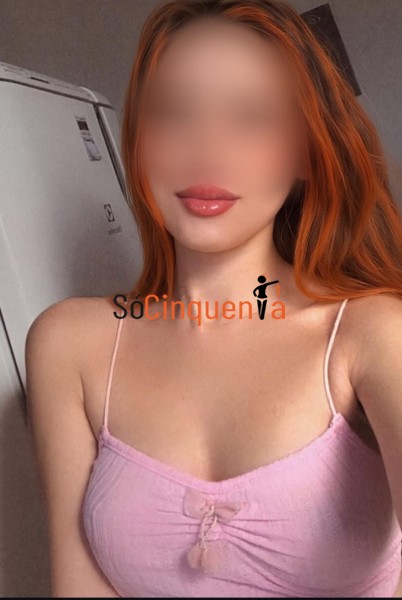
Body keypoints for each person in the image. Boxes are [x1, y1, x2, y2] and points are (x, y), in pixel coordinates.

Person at [25, 0, 402, 597]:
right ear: (137, 141)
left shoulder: (371, 335)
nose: (207, 150)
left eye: (251, 118)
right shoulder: (70, 345)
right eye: (173, 113)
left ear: (304, 151)